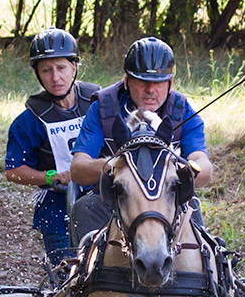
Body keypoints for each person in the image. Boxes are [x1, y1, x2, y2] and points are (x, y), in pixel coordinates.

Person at [69, 36, 213, 231]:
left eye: (159, 83)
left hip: (168, 198)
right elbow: (78, 168)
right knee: (84, 208)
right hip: (115, 198)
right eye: (142, 82)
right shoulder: (103, 108)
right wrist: (120, 166)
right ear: (126, 81)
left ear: (170, 83)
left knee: (192, 207)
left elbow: (204, 167)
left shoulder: (183, 112)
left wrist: (182, 169)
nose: (150, 90)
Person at [5, 28, 102, 267]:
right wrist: (50, 177)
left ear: (74, 67)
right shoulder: (28, 122)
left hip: (104, 200)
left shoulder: (99, 102)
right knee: (70, 278)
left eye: (61, 68)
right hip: (58, 213)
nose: (55, 78)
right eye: (46, 70)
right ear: (38, 74)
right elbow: (13, 171)